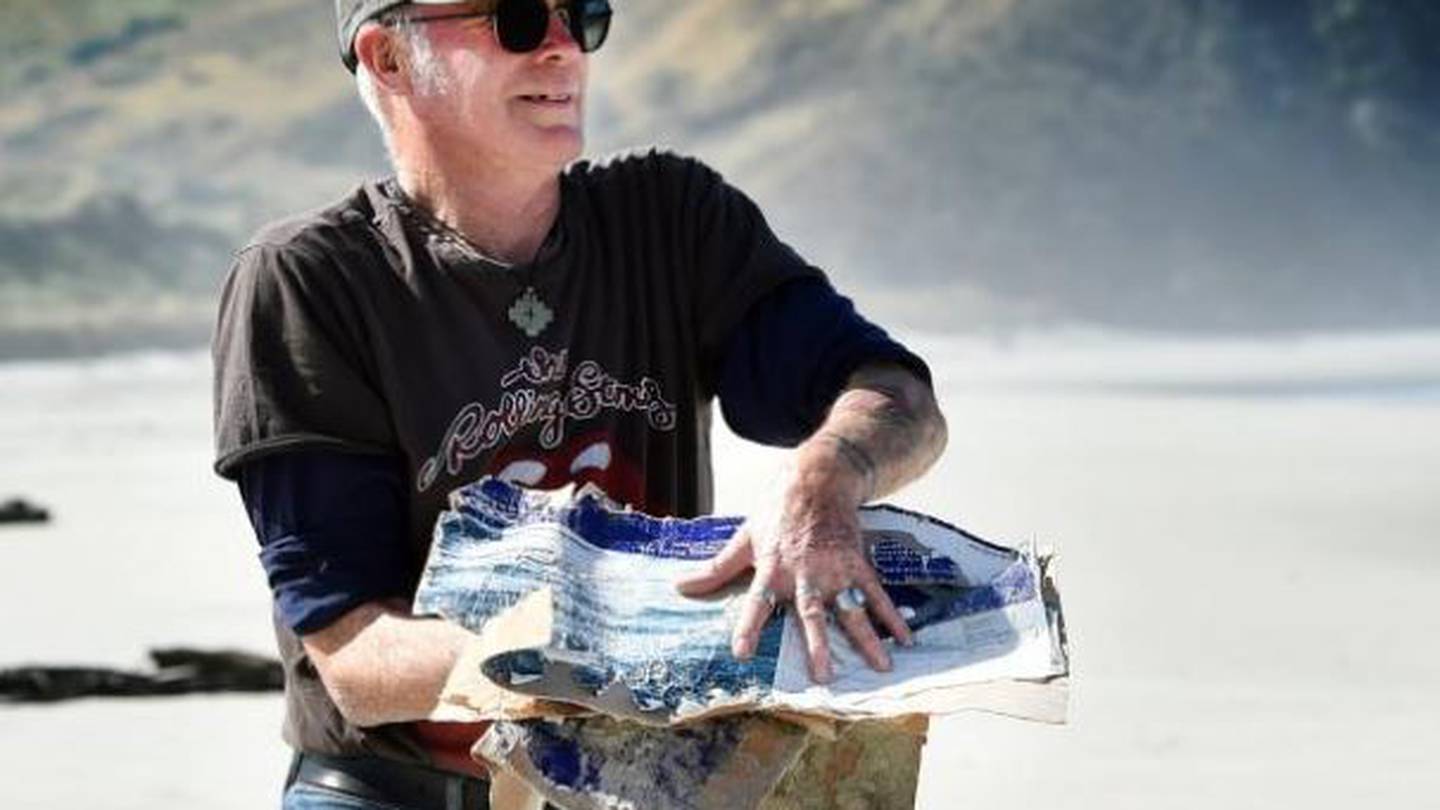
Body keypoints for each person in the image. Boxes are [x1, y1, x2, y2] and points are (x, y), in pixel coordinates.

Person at [211, 0, 948, 807]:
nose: (563, 48)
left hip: (633, 783)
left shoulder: (672, 221)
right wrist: (600, 649)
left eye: (582, 13)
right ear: (389, 58)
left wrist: (823, 480)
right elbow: (357, 664)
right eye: (518, 17)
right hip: (394, 791)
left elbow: (901, 398)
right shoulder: (308, 281)